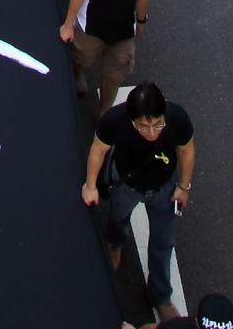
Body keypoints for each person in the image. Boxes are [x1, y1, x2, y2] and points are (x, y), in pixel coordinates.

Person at [82, 81, 194, 318]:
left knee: (164, 243)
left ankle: (160, 296)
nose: (152, 132)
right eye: (144, 127)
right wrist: (90, 185)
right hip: (126, 184)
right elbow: (98, 150)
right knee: (117, 219)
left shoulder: (177, 118)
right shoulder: (114, 120)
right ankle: (116, 244)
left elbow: (186, 150)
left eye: (157, 124)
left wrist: (183, 187)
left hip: (165, 188)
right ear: (131, 119)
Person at [61, 0, 155, 114]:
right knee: (81, 57)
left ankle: (103, 112)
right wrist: (68, 25)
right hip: (91, 28)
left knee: (116, 73)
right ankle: (78, 73)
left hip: (124, 31)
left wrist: (141, 19)